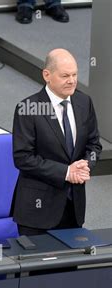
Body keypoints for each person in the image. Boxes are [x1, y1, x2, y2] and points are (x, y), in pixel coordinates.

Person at [11, 48, 102, 236]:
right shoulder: (28, 108)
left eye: (75, 74)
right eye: (65, 76)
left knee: (69, 264)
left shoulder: (84, 102)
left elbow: (94, 144)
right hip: (37, 212)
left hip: (73, 206)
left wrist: (86, 164)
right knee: (40, 265)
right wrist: (67, 172)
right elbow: (23, 158)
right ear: (47, 75)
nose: (72, 80)